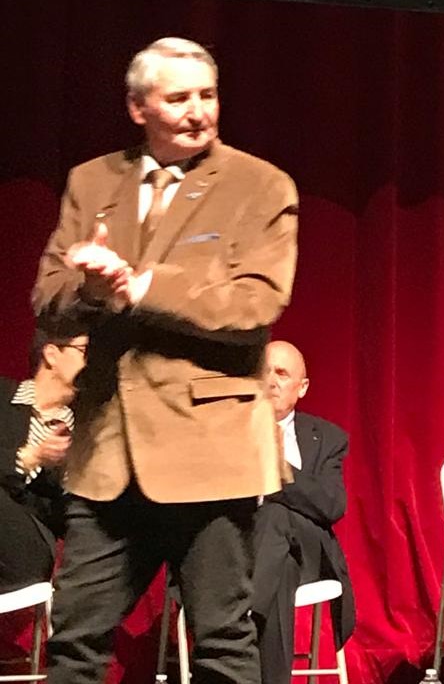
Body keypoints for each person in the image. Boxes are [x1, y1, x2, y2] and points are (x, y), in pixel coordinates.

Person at [32, 37, 299, 684]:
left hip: (208, 452)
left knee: (221, 643)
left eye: (206, 95)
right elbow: (47, 296)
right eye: (177, 98)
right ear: (137, 106)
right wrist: (89, 289)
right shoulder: (93, 181)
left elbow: (254, 306)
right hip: (108, 457)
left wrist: (139, 287)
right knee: (74, 639)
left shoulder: (258, 184)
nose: (196, 111)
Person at [252, 340, 354, 684]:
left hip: (307, 549)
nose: (271, 381)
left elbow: (331, 505)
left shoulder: (326, 437)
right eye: (264, 371)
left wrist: (279, 470)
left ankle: (244, 616)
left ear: (302, 387)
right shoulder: (227, 430)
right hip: (241, 550)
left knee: (275, 516)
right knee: (280, 570)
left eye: (282, 373)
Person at [0, 328, 87, 594]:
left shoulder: (84, 431)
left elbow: (70, 519)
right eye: (85, 351)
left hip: (24, 549)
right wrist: (29, 457)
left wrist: (54, 472)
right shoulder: (3, 396)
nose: (93, 361)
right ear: (51, 354)